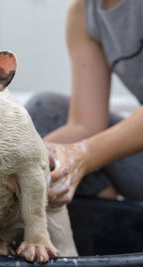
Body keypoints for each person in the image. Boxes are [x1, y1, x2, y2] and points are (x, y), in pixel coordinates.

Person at [25, 0, 143, 207]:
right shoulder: (84, 13)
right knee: (44, 111)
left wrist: (84, 155)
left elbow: (86, 148)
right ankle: (111, 225)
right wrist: (19, 161)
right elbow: (85, 125)